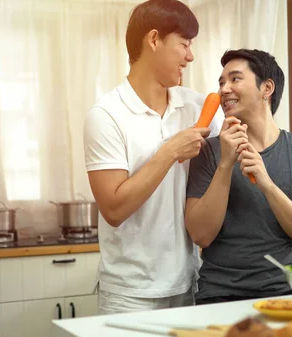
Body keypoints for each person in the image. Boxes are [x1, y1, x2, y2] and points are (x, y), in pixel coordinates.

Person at [83, 0, 224, 314]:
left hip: (189, 285)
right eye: (184, 44)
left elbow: (228, 174)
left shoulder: (199, 107)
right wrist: (171, 151)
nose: (190, 56)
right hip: (128, 295)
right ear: (154, 39)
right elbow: (114, 209)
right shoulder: (106, 115)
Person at [185, 49, 292, 305]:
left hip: (288, 293)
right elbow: (200, 235)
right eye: (221, 82)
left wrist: (267, 185)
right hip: (219, 294)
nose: (224, 89)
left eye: (235, 79)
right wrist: (225, 165)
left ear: (267, 88)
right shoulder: (207, 150)